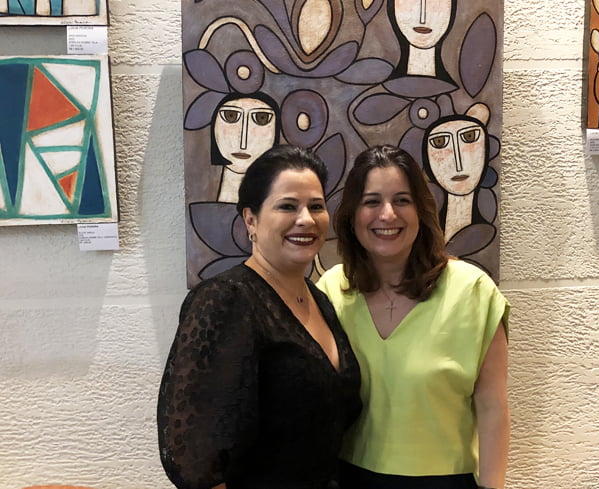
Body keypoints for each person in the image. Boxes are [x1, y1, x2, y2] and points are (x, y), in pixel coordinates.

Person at [158, 145, 362, 489]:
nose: (306, 219)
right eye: (287, 206)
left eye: (316, 206)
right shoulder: (226, 299)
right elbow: (195, 460)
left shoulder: (320, 301)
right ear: (250, 219)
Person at [318, 145, 510, 489]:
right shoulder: (331, 291)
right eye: (371, 201)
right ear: (352, 215)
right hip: (348, 478)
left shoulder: (473, 291)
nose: (387, 214)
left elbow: (493, 408)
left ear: (421, 210)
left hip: (446, 481)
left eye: (402, 200)